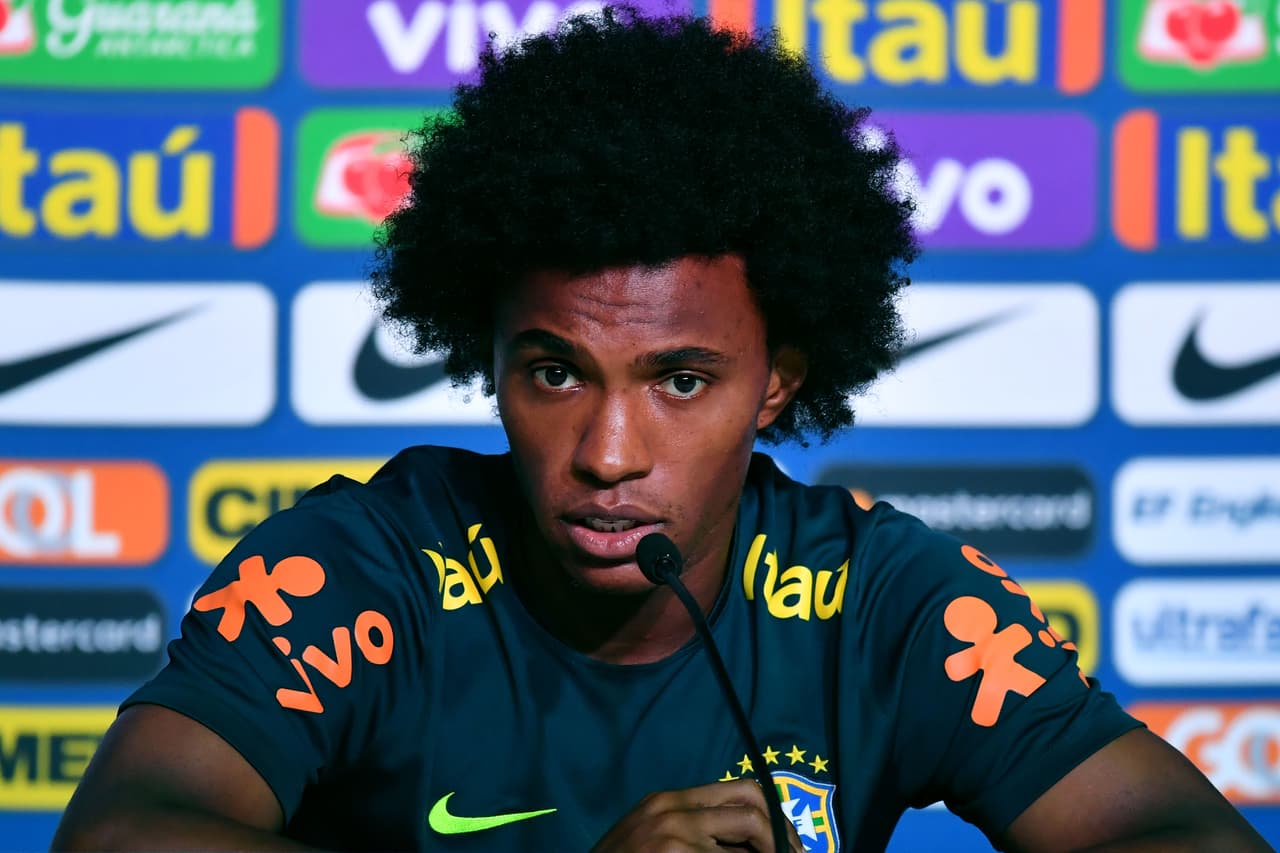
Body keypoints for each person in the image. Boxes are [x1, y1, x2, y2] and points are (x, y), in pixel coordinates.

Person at [53, 8, 1271, 853]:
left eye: (679, 381)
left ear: (777, 385)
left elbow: (1179, 832)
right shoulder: (361, 567)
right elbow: (119, 832)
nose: (606, 452)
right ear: (489, 359)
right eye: (553, 372)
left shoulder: (883, 601)